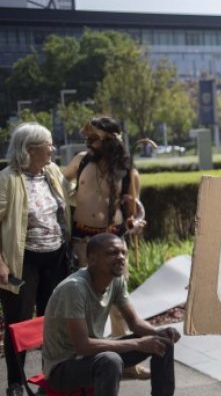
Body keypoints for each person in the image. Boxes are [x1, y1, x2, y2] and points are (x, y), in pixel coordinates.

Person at [61, 117, 147, 379]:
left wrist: (137, 222)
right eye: (86, 139)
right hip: (83, 242)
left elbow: (133, 212)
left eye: (93, 139)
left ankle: (128, 363)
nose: (88, 144)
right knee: (82, 300)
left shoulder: (128, 171)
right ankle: (87, 362)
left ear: (110, 141)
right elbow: (57, 183)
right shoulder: (81, 161)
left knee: (119, 302)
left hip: (113, 240)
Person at [42, 233, 180, 395]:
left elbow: (134, 322)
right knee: (110, 361)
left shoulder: (116, 279)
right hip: (62, 369)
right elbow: (83, 346)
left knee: (162, 341)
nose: (121, 257)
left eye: (123, 252)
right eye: (112, 253)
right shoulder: (74, 288)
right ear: (92, 260)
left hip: (94, 356)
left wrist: (159, 333)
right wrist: (139, 344)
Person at [0, 123, 70, 396]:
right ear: (30, 149)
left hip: (55, 258)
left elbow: (69, 202)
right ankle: (16, 383)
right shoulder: (7, 179)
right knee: (18, 323)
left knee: (52, 321)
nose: (52, 148)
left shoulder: (51, 172)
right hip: (23, 262)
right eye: (48, 144)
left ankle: (49, 378)